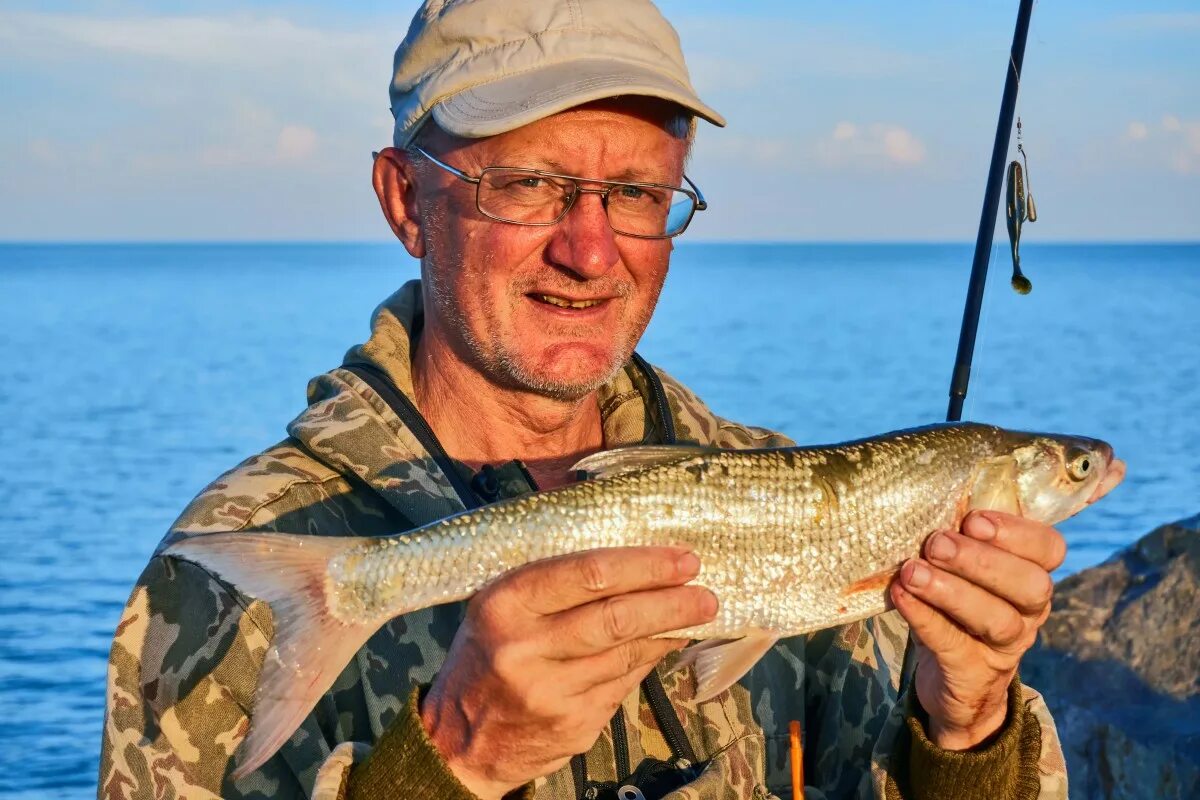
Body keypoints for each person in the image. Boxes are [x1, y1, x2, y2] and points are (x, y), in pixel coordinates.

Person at [99, 1, 1123, 798]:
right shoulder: (233, 560)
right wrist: (447, 762)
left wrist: (968, 726)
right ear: (407, 199)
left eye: (636, 194)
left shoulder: (794, 493)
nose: (589, 250)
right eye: (527, 183)